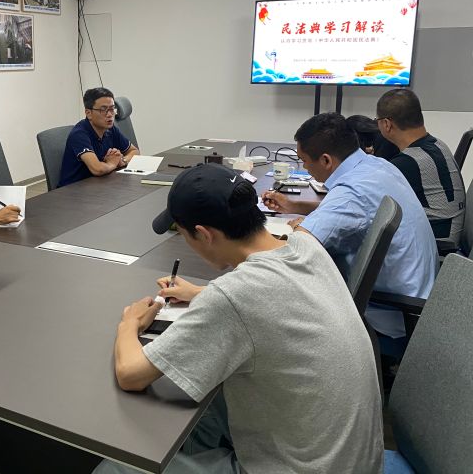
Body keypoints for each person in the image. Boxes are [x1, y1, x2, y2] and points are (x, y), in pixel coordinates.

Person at [95, 163, 382, 474]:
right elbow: (274, 301)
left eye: (183, 234)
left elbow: (131, 375)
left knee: (113, 468)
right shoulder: (305, 245)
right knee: (204, 401)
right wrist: (200, 293)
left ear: (204, 234)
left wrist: (130, 323)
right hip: (354, 460)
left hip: (303, 467)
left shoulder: (233, 296)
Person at [262, 112, 437, 340]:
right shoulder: (377, 165)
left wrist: (300, 227)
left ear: (326, 160)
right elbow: (357, 211)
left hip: (387, 313)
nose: (304, 167)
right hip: (417, 297)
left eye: (304, 161)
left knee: (279, 297)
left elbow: (298, 248)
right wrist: (295, 206)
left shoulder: (352, 193)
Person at [376, 89, 465, 249]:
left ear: (387, 124)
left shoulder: (406, 163)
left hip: (436, 244)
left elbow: (373, 205)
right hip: (449, 234)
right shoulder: (439, 144)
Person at [58, 87, 139, 188]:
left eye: (112, 109)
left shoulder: (110, 129)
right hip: (73, 190)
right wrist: (112, 164)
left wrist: (122, 160)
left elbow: (134, 151)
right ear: (88, 113)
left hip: (99, 184)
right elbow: (97, 169)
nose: (109, 115)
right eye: (103, 110)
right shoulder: (79, 134)